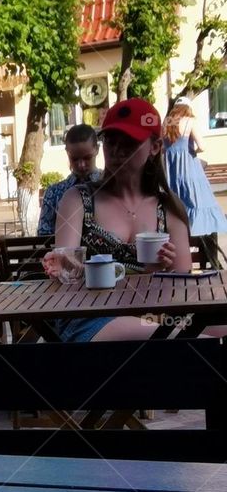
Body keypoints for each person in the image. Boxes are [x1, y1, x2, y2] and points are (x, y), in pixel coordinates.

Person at [50, 97, 192, 341]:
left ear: (155, 147)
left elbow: (183, 285)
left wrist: (160, 272)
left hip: (156, 314)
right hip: (89, 315)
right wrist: (143, 275)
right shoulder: (78, 199)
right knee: (181, 338)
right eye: (110, 141)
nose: (116, 151)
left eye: (129, 142)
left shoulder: (168, 206)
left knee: (208, 329)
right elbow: (66, 266)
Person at [162, 100, 227, 236]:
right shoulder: (190, 121)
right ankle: (196, 234)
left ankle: (179, 233)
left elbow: (162, 148)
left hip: (171, 170)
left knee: (176, 201)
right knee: (196, 199)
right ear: (188, 108)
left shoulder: (167, 122)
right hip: (189, 168)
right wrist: (192, 152)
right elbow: (202, 146)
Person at [37, 123, 101, 235]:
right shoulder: (53, 193)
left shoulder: (112, 187)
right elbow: (44, 239)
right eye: (75, 159)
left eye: (87, 158)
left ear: (97, 150)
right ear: (67, 153)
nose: (81, 165)